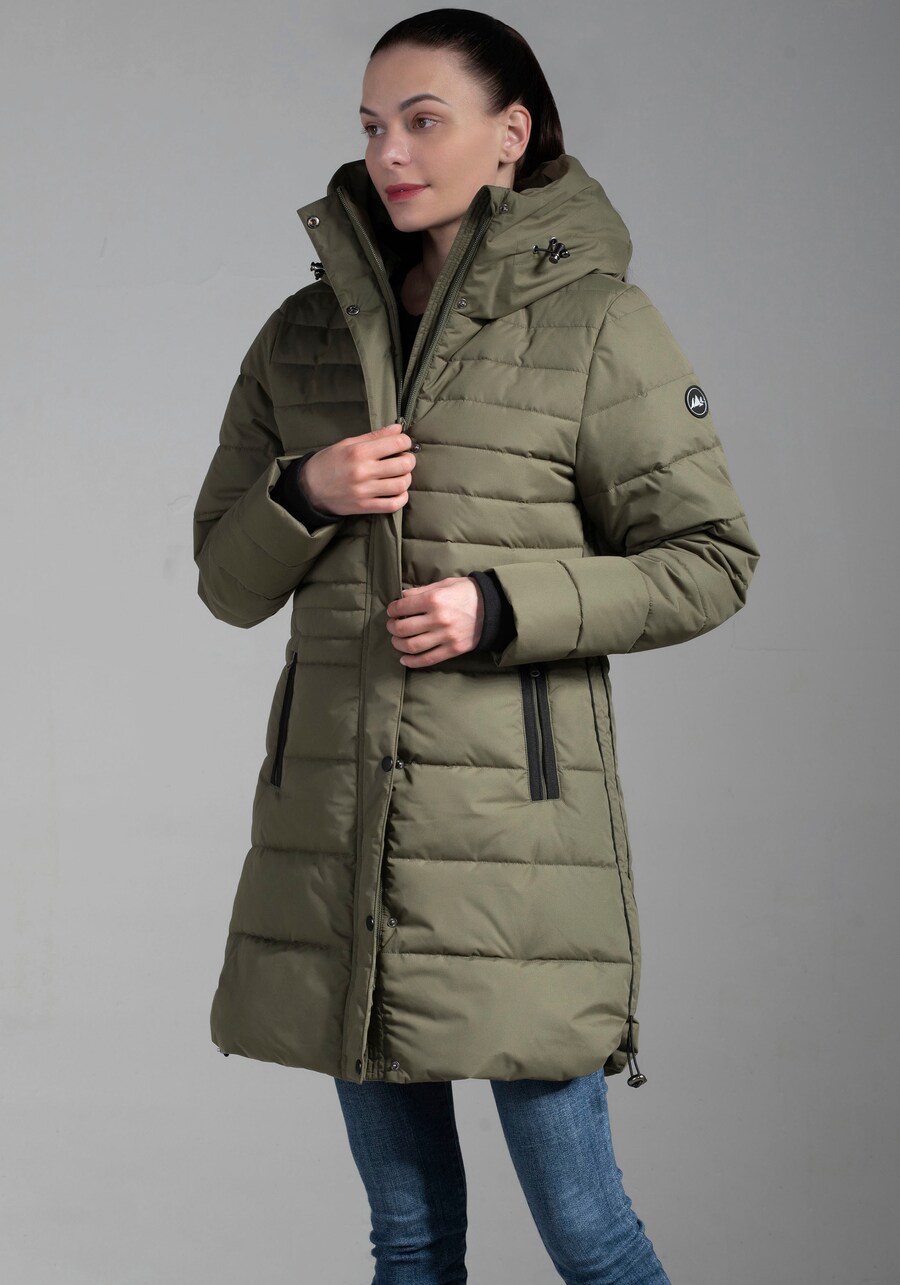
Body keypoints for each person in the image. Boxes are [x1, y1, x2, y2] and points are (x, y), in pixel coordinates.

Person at [192, 8, 760, 1283]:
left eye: (422, 120)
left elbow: (710, 560)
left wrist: (500, 608)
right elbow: (225, 582)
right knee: (408, 1241)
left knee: (590, 1237)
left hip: (516, 859)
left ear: (511, 134)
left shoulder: (599, 326)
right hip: (339, 845)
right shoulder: (303, 335)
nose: (388, 152)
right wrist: (307, 491)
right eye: (371, 126)